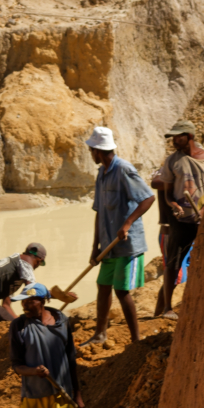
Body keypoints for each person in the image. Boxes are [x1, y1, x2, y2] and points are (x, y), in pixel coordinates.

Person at [82, 125, 154, 348]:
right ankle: (99, 334)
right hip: (108, 245)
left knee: (122, 291)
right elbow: (99, 212)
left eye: (91, 150)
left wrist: (128, 223)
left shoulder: (123, 169)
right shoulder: (101, 174)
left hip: (127, 244)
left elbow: (148, 198)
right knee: (103, 286)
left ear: (98, 150)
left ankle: (136, 341)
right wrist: (95, 247)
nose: (90, 154)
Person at [9, 283, 84, 408]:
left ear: (42, 301)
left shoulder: (62, 320)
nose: (24, 305)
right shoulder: (19, 326)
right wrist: (34, 371)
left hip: (62, 393)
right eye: (23, 302)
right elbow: (16, 365)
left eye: (30, 301)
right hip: (34, 394)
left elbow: (71, 359)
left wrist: (77, 395)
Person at [151, 120, 204, 319]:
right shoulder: (172, 161)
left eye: (179, 137)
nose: (175, 141)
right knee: (173, 263)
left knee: (203, 262)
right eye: (173, 137)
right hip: (181, 221)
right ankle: (167, 308)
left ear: (190, 136)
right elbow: (166, 192)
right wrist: (173, 205)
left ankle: (197, 304)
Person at [0, 241, 63, 340]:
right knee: (18, 330)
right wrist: (56, 295)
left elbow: (6, 305)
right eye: (39, 264)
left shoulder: (12, 270)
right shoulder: (26, 262)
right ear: (39, 260)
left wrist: (16, 320)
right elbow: (33, 291)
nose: (36, 267)